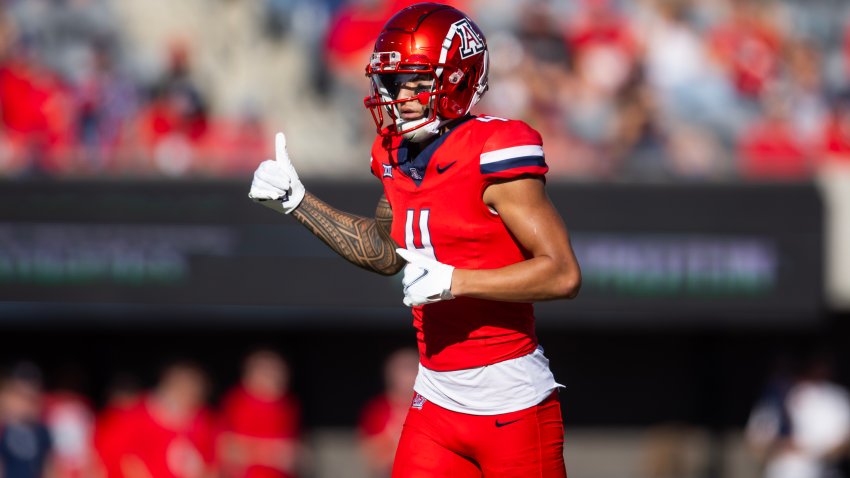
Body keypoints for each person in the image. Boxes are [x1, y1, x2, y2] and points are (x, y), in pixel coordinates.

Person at [249, 3, 581, 477]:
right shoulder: (393, 150)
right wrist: (299, 202)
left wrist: (455, 281)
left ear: (458, 80)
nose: (401, 95)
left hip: (511, 400)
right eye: (394, 81)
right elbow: (387, 252)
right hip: (437, 401)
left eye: (417, 81)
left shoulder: (496, 148)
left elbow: (563, 273)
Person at [217, 349, 301, 478]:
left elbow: (292, 452)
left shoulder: (288, 405)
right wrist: (273, 454)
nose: (274, 377)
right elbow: (228, 450)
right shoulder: (237, 402)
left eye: (278, 371)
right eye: (267, 372)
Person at [358, 348, 419, 478]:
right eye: (405, 369)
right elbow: (373, 458)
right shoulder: (378, 410)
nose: (412, 375)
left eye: (414, 368)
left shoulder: (431, 407)